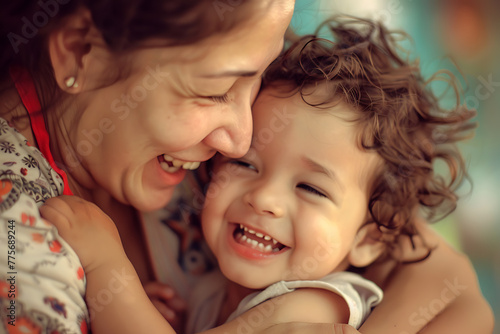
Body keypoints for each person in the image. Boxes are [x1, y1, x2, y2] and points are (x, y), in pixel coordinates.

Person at [40, 17, 494, 334]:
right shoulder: (216, 289)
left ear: (370, 239)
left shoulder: (316, 305)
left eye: (312, 188)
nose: (265, 199)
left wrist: (107, 270)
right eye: (244, 164)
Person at [0, 1, 294, 333]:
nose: (241, 143)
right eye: (217, 92)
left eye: (261, 76)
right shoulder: (14, 247)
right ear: (80, 51)